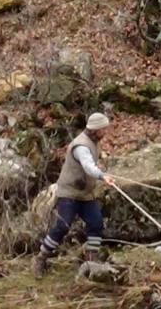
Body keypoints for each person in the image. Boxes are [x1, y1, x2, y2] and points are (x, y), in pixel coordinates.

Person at [32, 112, 114, 279]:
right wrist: (102, 176)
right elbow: (88, 166)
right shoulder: (81, 146)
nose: (105, 132)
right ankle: (41, 258)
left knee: (96, 223)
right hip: (69, 193)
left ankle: (92, 261)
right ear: (95, 129)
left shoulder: (94, 142)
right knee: (63, 226)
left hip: (86, 194)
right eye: (103, 129)